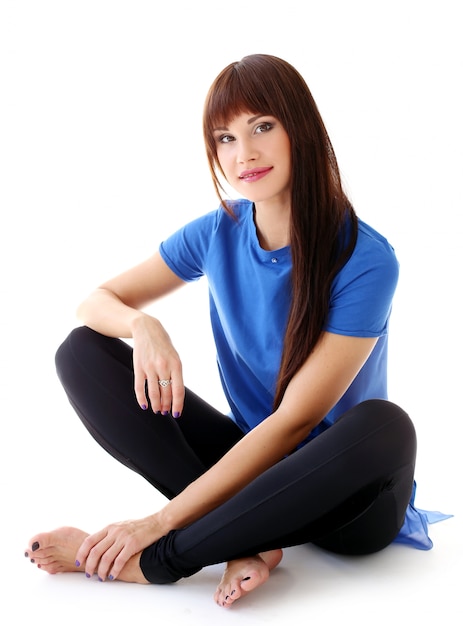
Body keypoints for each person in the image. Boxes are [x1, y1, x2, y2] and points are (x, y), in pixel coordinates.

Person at [24, 53, 440, 608]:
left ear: (301, 130)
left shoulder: (366, 259)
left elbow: (296, 422)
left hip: (349, 501)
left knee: (384, 425)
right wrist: (144, 325)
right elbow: (96, 302)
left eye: (262, 127)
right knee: (82, 353)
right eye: (224, 138)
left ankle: (154, 564)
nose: (243, 153)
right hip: (255, 470)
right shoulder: (216, 231)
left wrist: (157, 524)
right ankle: (245, 542)